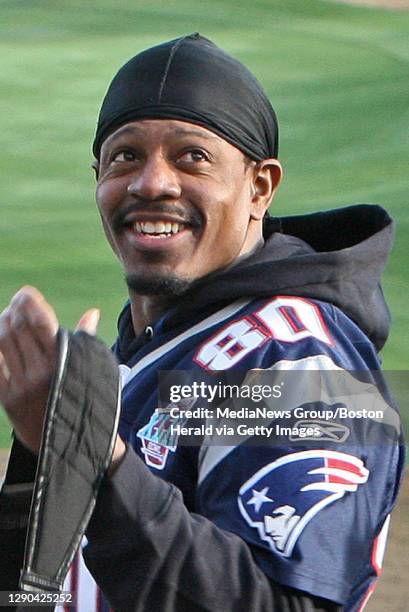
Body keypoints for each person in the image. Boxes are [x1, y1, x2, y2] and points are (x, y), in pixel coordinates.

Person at [0, 33, 405, 612]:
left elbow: (279, 604)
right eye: (125, 156)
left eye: (193, 156)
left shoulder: (292, 361)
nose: (152, 182)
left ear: (258, 188)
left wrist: (90, 456)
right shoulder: (157, 344)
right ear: (98, 178)